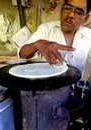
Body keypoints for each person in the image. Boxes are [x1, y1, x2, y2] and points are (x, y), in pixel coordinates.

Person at [19, 0, 91, 129]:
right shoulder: (46, 29)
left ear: (86, 18)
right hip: (43, 96)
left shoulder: (89, 36)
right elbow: (23, 54)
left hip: (71, 96)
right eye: (67, 7)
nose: (70, 15)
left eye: (79, 12)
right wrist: (37, 44)